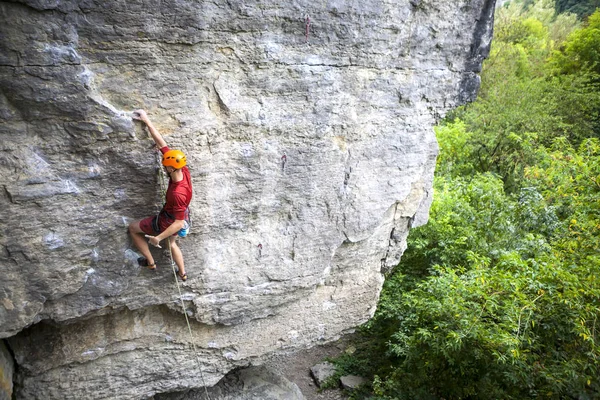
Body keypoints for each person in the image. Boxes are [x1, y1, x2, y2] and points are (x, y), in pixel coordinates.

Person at [128, 109, 192, 281]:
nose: (164, 166)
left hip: (170, 220)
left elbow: (178, 223)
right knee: (172, 244)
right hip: (181, 213)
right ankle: (183, 274)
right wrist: (147, 121)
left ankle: (150, 262)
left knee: (133, 228)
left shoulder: (177, 193)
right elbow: (162, 144)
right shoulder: (182, 168)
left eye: (165, 165)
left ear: (170, 168)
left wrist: (158, 238)